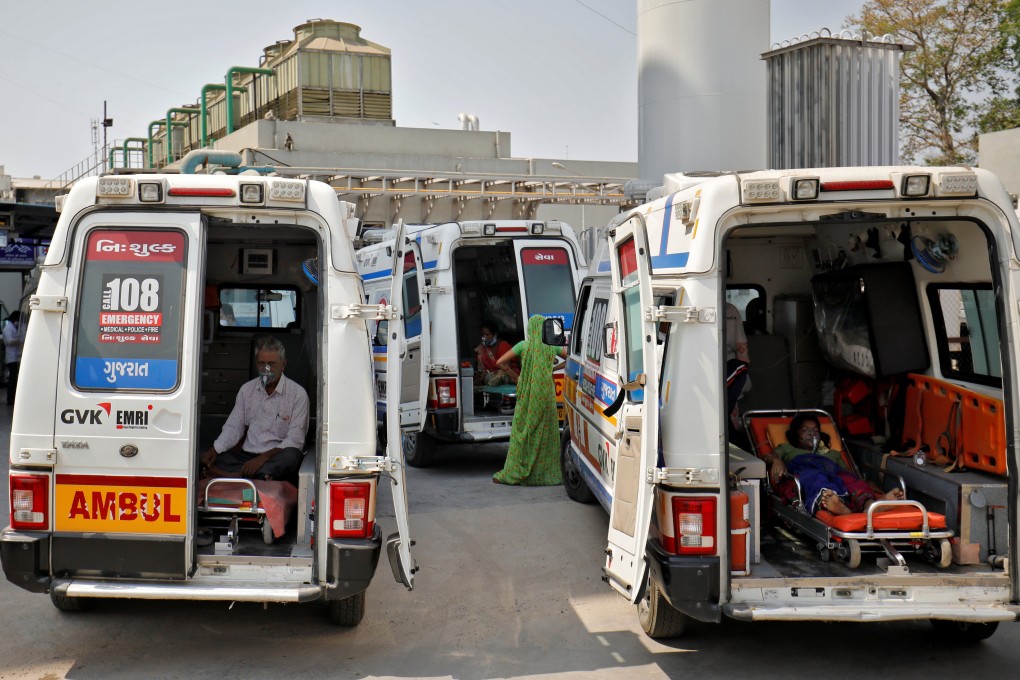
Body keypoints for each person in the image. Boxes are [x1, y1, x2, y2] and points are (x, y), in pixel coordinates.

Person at [201, 336, 309, 482]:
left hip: (275, 457)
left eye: (271, 364)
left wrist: (261, 459)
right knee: (213, 457)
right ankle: (260, 475)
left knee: (292, 456)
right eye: (261, 363)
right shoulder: (247, 390)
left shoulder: (298, 394)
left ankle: (236, 475)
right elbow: (234, 427)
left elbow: (295, 440)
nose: (266, 369)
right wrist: (215, 449)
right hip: (246, 457)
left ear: (283, 365)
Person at [764, 413, 903, 516]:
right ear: (795, 434)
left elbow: (848, 474)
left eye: (815, 430)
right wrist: (777, 461)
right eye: (805, 430)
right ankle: (836, 505)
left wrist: (865, 483)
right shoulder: (788, 448)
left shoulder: (833, 454)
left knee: (852, 482)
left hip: (835, 474)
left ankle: (870, 505)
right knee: (815, 477)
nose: (811, 434)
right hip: (807, 472)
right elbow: (767, 457)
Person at [492, 314, 566, 486]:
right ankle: (544, 474)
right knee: (546, 433)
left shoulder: (523, 346)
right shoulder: (551, 346)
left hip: (528, 396)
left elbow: (500, 362)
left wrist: (516, 377)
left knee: (523, 430)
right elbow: (569, 357)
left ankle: (518, 470)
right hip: (546, 396)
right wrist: (553, 368)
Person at [724, 301, 751, 428]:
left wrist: (743, 373)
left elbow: (741, 346)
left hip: (730, 365)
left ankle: (731, 441)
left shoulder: (730, 309)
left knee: (731, 409)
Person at [475, 320, 517, 386]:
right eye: (483, 335)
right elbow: (481, 369)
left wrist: (489, 372)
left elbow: (506, 368)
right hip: (491, 376)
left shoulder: (503, 345)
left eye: (487, 334)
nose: (484, 337)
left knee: (499, 376)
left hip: (509, 375)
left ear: (495, 334)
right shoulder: (483, 348)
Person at [2, 312, 22, 406]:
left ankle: (12, 398)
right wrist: (20, 340)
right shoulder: (7, 328)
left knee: (14, 379)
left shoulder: (11, 327)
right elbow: (9, 341)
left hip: (15, 356)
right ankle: (10, 399)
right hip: (11, 357)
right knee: (12, 379)